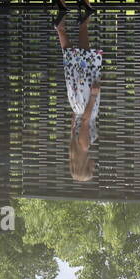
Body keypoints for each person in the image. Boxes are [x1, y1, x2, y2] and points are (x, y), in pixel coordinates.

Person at [57, 17, 102, 183]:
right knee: (71, 61)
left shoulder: (84, 145)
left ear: (84, 165)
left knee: (85, 58)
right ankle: (60, 28)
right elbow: (75, 120)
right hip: (76, 101)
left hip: (85, 101)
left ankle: (83, 22)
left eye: (91, 169)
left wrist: (93, 96)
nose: (94, 167)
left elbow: (84, 121)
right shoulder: (74, 144)